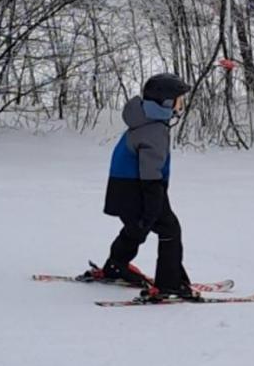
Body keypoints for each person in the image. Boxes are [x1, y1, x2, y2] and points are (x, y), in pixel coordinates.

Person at [86, 72, 200, 302]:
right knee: (169, 230)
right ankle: (169, 285)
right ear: (165, 102)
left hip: (122, 192)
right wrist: (152, 206)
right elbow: (150, 175)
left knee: (136, 228)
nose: (181, 105)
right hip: (139, 191)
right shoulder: (154, 130)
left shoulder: (143, 122)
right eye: (178, 99)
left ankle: (116, 266)